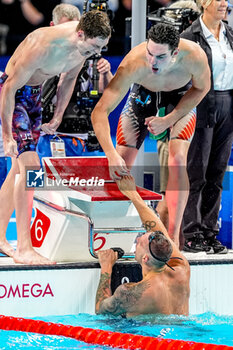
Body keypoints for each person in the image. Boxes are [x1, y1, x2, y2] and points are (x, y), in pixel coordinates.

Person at [0, 10, 111, 264]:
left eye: (101, 48)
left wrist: (58, 115)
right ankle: (24, 248)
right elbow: (8, 88)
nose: (94, 54)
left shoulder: (83, 47)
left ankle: (1, 237)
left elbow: (68, 77)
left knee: (18, 171)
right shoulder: (42, 45)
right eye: (92, 48)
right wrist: (7, 135)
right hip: (14, 96)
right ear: (79, 34)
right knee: (30, 168)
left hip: (35, 96)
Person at [91, 22, 210, 247]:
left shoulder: (194, 55)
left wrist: (169, 119)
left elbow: (202, 88)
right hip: (142, 96)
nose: (152, 62)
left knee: (177, 160)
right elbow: (100, 112)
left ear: (175, 53)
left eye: (160, 57)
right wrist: (111, 155)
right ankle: (117, 233)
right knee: (121, 161)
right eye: (149, 53)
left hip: (180, 98)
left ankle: (173, 239)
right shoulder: (133, 63)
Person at [95, 175, 190, 317]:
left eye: (139, 242)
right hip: (181, 335)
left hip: (148, 336)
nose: (137, 240)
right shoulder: (182, 271)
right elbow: (158, 230)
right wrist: (133, 195)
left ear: (145, 258)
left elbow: (100, 309)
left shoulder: (130, 293)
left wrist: (106, 267)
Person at [181, 0, 233, 253]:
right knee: (197, 173)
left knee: (217, 174)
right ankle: (191, 233)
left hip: (228, 105)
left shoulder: (230, 35)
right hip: (201, 104)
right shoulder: (190, 37)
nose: (225, 3)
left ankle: (210, 232)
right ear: (203, 3)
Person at [37, 3, 113, 160]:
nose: (71, 33)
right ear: (53, 26)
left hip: (82, 137)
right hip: (46, 134)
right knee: (39, 181)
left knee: (86, 183)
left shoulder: (91, 56)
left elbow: (108, 94)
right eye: (66, 27)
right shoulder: (40, 54)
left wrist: (105, 73)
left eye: (75, 28)